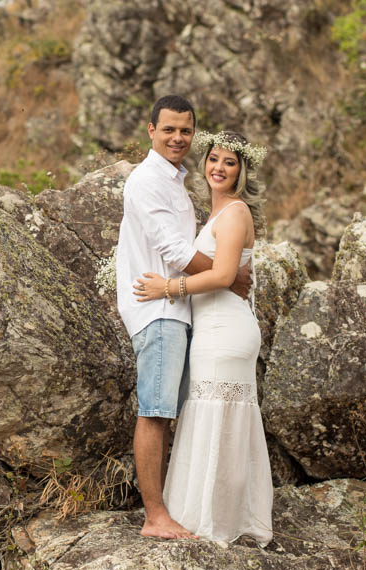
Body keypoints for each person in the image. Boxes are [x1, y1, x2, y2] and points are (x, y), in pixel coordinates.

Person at [115, 96, 252, 539]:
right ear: (150, 130)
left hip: (178, 309)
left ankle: (185, 506)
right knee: (155, 410)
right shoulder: (146, 181)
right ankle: (155, 517)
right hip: (158, 308)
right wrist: (226, 279)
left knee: (172, 409)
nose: (178, 138)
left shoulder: (176, 182)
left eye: (185, 131)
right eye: (169, 129)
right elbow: (174, 253)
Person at [132, 129, 274, 547]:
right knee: (212, 418)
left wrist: (167, 289)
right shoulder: (214, 214)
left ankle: (216, 521)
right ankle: (209, 515)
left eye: (229, 162)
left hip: (226, 330)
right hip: (211, 327)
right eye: (214, 159)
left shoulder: (235, 213)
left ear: (241, 170)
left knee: (219, 418)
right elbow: (221, 269)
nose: (219, 168)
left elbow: (224, 276)